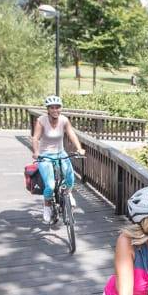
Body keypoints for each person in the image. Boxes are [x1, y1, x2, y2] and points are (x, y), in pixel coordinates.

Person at [31, 95, 84, 224]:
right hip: (45, 155)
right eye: (52, 108)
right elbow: (35, 138)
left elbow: (71, 133)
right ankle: (47, 206)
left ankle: (67, 194)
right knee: (50, 185)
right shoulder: (41, 121)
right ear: (48, 109)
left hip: (60, 153)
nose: (55, 110)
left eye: (57, 107)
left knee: (70, 177)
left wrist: (79, 148)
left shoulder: (64, 120)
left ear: (61, 108)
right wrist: (36, 152)